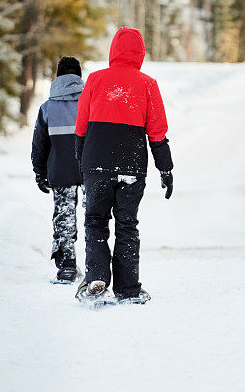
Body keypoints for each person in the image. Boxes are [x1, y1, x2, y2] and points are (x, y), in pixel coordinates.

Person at [74, 27, 173, 304]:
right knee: (127, 225)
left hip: (97, 165)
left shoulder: (95, 80)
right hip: (131, 166)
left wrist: (81, 164)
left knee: (95, 221)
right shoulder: (147, 84)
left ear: (113, 51)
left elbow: (80, 127)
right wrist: (166, 169)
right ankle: (128, 290)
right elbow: (157, 131)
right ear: (140, 54)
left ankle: (97, 277)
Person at [31, 57, 85, 283]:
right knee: (95, 219)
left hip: (60, 171)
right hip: (89, 170)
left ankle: (66, 267)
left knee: (64, 218)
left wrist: (39, 171)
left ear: (58, 76)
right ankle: (97, 266)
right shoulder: (90, 103)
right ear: (79, 76)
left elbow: (39, 144)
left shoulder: (47, 108)